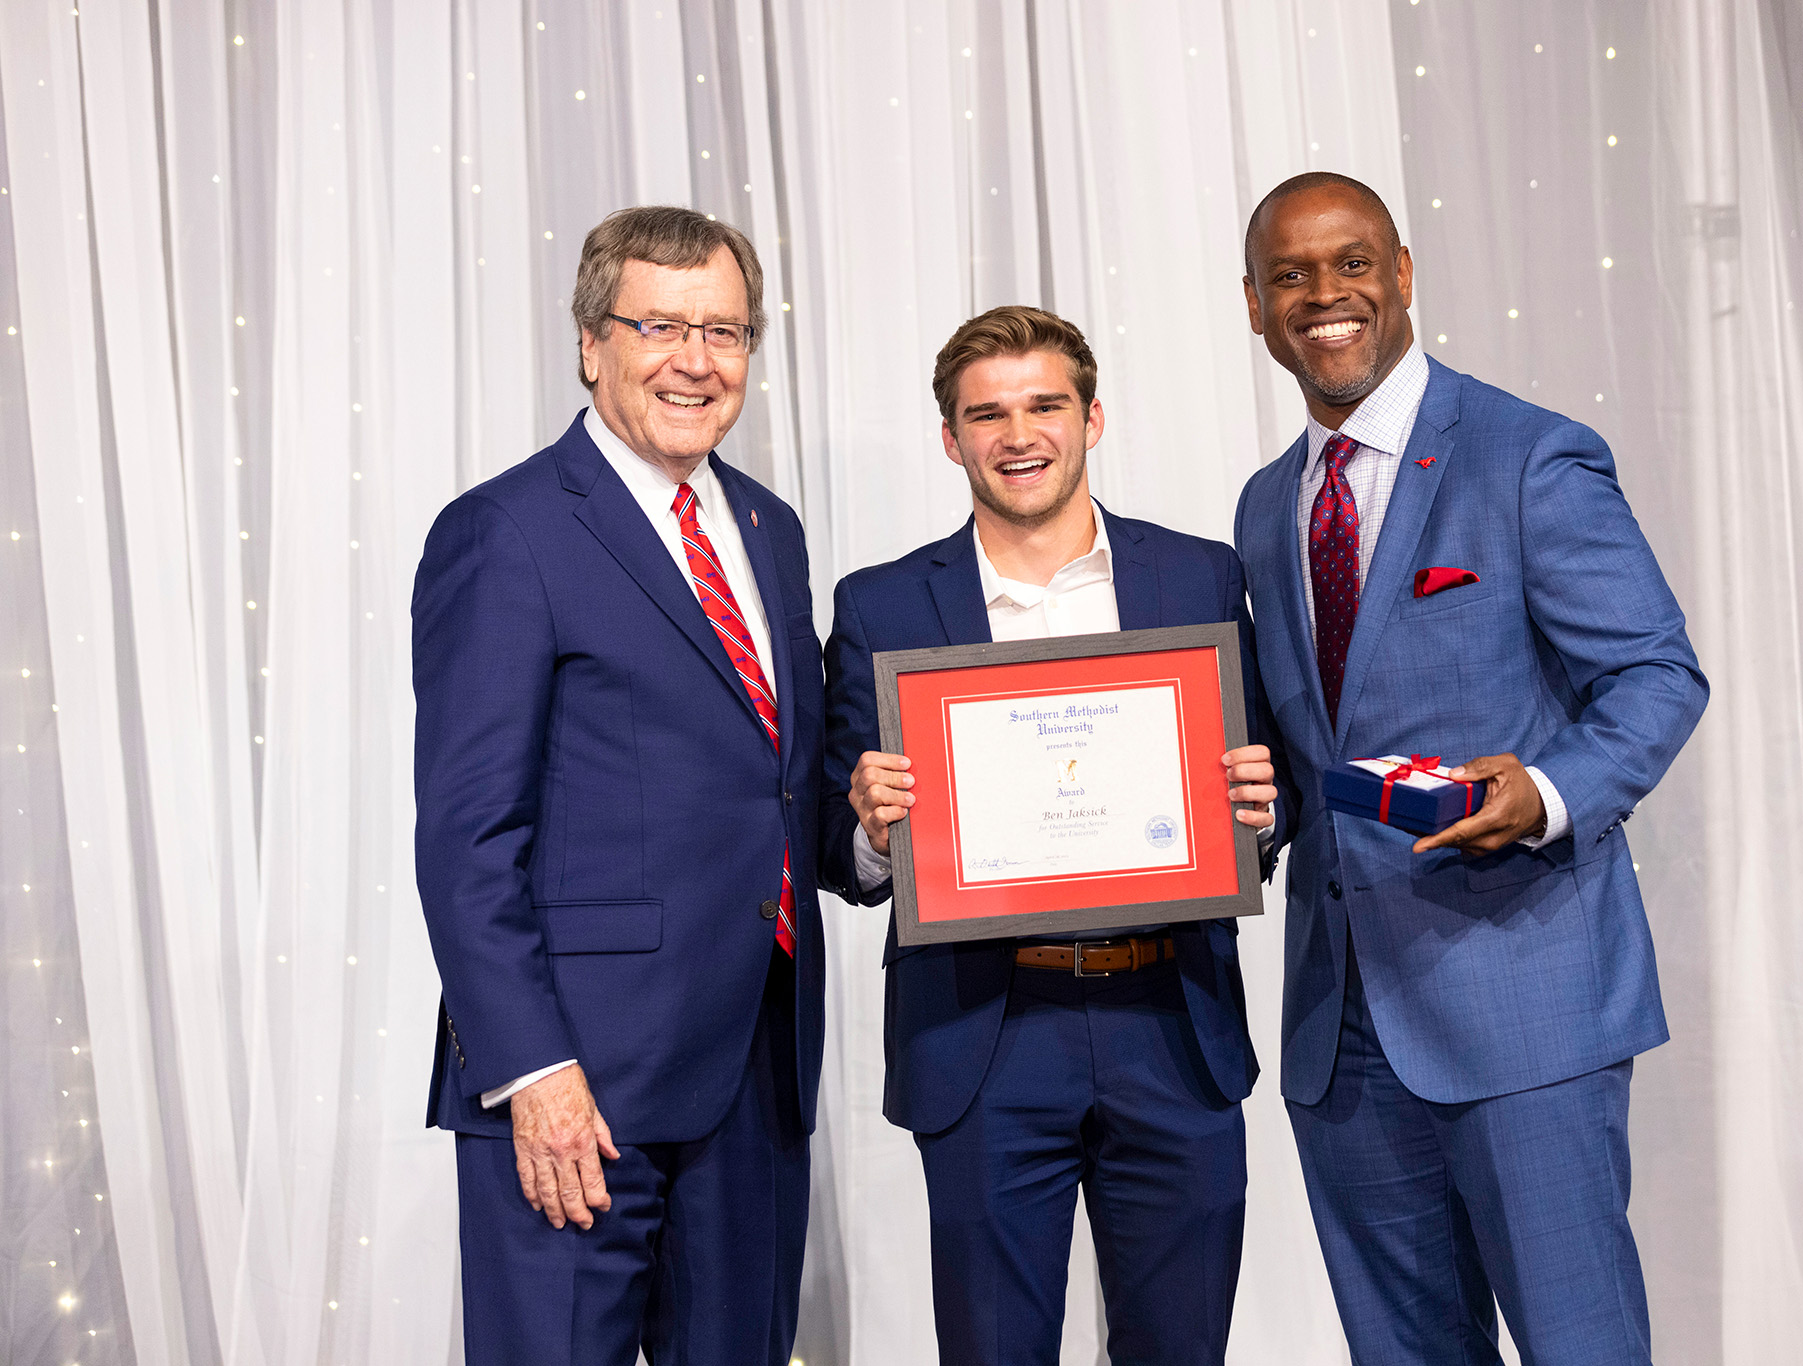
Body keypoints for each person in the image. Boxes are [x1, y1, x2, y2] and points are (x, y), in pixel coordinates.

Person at [1233, 171, 1709, 1365]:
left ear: (1400, 273)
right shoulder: (1263, 506)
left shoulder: (1527, 455)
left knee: (1577, 1344)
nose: (1323, 294)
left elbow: (1655, 677)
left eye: (1350, 263)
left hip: (1522, 1001)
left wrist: (1543, 794)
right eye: (1290, 275)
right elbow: (1304, 747)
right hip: (1339, 1029)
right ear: (1253, 305)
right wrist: (1239, 810)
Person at [819, 305, 1280, 1365]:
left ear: (1091, 419)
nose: (1018, 435)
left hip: (1171, 1020)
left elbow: (1269, 783)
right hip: (983, 1033)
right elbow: (841, 851)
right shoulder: (882, 605)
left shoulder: (1198, 574)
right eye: (986, 414)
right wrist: (873, 830)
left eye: (1044, 406)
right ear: (951, 439)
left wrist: (1261, 810)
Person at [411, 206, 824, 1365]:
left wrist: (878, 831)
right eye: (660, 327)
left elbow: (783, 786)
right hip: (575, 1088)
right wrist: (531, 1071)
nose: (696, 359)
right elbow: (466, 837)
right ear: (591, 342)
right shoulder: (505, 531)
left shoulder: (770, 529)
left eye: (724, 331)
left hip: (754, 1073)